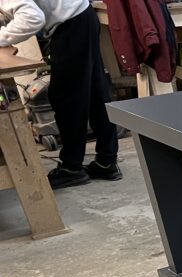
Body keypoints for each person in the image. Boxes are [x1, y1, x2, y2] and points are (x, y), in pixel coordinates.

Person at [0, 0, 121, 188]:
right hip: (82, 16)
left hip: (71, 25)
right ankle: (107, 161)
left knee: (67, 100)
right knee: (95, 95)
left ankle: (72, 168)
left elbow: (32, 18)